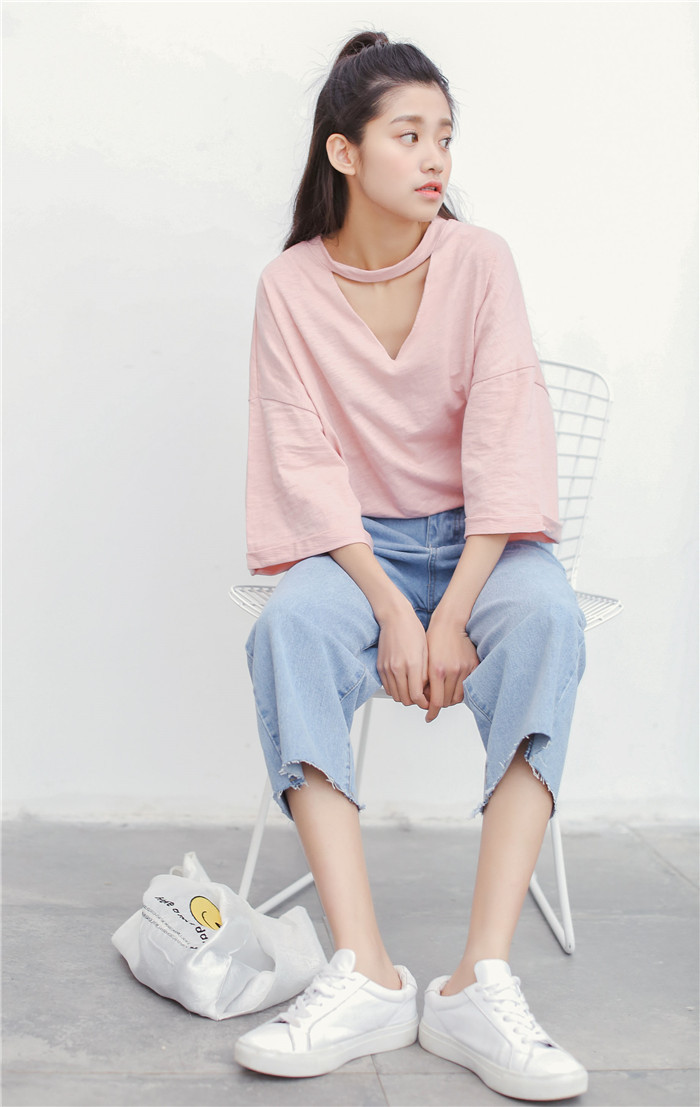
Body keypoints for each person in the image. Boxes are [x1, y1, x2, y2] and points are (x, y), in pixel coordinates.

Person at [234, 30, 589, 1102]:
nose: (434, 157)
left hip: (485, 541)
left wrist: (453, 609)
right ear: (343, 152)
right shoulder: (289, 286)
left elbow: (505, 442)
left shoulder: (479, 261)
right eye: (408, 135)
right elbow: (303, 462)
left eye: (444, 136)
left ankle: (481, 979)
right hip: (360, 551)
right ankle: (367, 972)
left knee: (547, 621)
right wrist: (395, 608)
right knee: (289, 628)